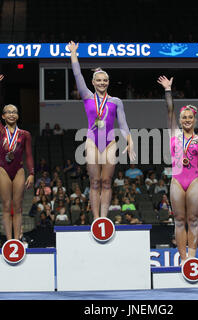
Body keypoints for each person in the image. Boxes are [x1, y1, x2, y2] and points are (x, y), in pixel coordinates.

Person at [68, 41, 135, 220]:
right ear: (93, 82)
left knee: (106, 182)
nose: (102, 82)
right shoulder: (87, 96)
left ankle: (104, 218)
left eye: (105, 80)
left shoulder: (116, 101)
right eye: (98, 80)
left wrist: (130, 142)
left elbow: (123, 124)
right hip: (92, 141)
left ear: (108, 82)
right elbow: (77, 75)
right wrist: (73, 53)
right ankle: (96, 218)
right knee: (94, 182)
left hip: (110, 142)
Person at [158, 76, 198, 263]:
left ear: (194, 120)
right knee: (179, 220)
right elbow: (169, 109)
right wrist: (168, 90)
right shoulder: (173, 133)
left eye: (190, 117)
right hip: (177, 182)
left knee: (193, 220)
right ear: (179, 120)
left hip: (195, 181)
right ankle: (182, 259)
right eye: (184, 117)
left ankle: (192, 258)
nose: (187, 120)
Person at [0, 75, 35, 240]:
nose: (12, 114)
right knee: (6, 207)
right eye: (8, 112)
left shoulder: (25, 134)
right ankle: (9, 240)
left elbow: (28, 154)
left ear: (18, 116)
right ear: (3, 116)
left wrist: (32, 173)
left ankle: (17, 239)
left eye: (15, 112)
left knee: (18, 207)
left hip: (20, 170)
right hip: (3, 170)